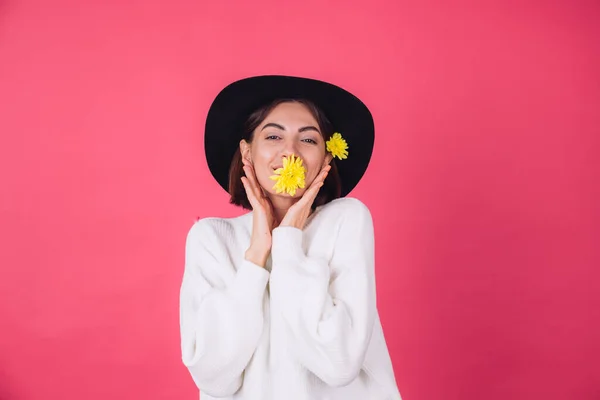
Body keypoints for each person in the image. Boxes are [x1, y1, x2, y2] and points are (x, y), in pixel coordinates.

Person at [179, 75, 402, 400]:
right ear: (247, 150)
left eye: (309, 140)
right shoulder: (210, 239)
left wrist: (288, 242)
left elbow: (338, 364)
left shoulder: (346, 220)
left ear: (327, 156)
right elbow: (214, 379)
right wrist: (257, 253)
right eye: (273, 136)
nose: (290, 152)